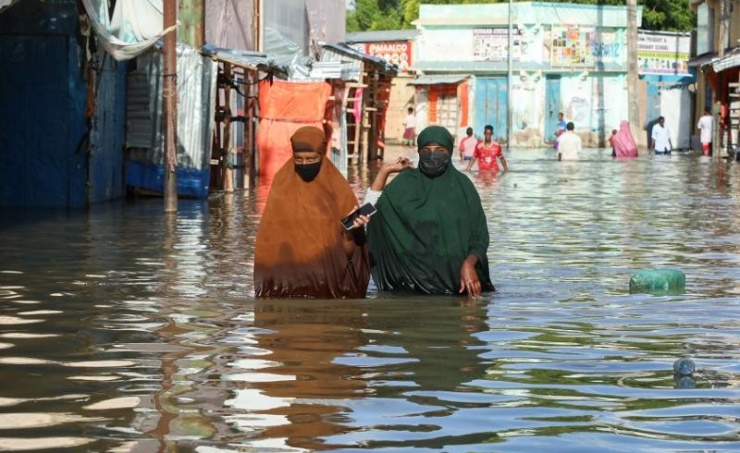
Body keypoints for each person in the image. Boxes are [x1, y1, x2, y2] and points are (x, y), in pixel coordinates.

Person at [364, 125, 495, 298]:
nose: (433, 155)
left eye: (440, 150)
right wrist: (384, 171)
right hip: (409, 291)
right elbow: (364, 216)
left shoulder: (463, 187)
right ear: (419, 152)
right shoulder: (404, 184)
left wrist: (469, 264)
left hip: (460, 289)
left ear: (449, 152)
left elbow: (480, 237)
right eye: (426, 150)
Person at [254, 126, 370, 298]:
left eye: (311, 159)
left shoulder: (338, 188)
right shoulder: (282, 184)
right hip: (285, 286)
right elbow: (269, 238)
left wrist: (355, 229)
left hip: (331, 286)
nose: (304, 164)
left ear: (322, 156)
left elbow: (351, 243)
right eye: (298, 159)